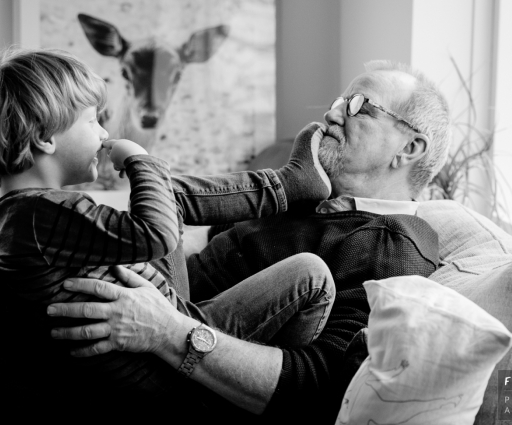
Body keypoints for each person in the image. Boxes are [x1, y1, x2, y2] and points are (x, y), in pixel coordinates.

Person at [0, 48, 339, 424]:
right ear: (46, 138)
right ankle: (258, 403)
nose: (105, 132)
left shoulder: (29, 217)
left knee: (180, 204)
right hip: (165, 375)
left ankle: (287, 185)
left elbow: (153, 226)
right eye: (93, 119)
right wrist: (142, 161)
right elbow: (155, 233)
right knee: (311, 275)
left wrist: (153, 184)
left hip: (172, 334)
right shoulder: (40, 213)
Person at [46, 60, 451, 419]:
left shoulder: (392, 246)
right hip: (142, 307)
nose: (331, 114)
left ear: (410, 147)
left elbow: (321, 387)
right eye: (339, 101)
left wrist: (165, 330)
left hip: (164, 366)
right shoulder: (316, 203)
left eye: (358, 105)